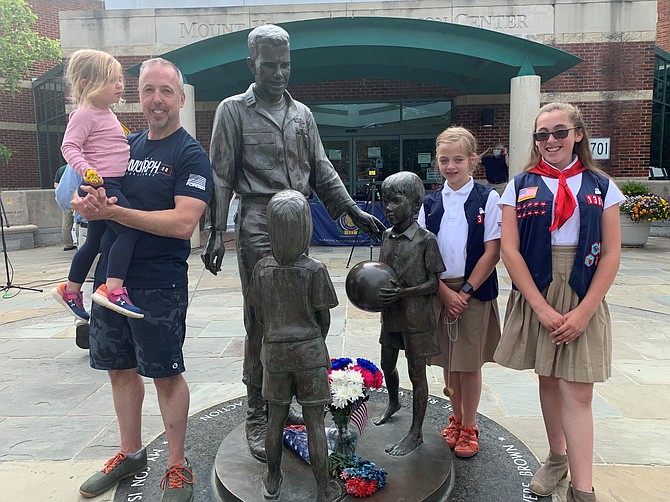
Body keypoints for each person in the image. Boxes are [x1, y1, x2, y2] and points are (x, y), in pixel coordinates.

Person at [201, 24, 385, 462]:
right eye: (270, 65)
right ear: (252, 65)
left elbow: (321, 168)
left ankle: (294, 394)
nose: (279, 73)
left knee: (302, 314)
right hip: (258, 223)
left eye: (285, 65)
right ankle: (258, 411)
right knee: (263, 320)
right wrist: (214, 231)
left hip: (297, 220)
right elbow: (222, 174)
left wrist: (352, 211)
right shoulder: (232, 110)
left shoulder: (302, 114)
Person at [71, 57, 212, 502]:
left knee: (166, 374)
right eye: (148, 90)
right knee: (119, 369)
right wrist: (88, 203)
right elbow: (90, 190)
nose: (156, 99)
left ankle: (176, 465)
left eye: (166, 91)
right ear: (138, 96)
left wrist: (113, 211)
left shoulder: (190, 154)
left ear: (181, 98)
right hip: (112, 283)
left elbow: (182, 223)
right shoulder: (125, 147)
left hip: (158, 283)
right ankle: (130, 453)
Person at [494, 102, 623, 502]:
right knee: (548, 378)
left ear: (578, 134)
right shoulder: (520, 184)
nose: (550, 141)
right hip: (538, 289)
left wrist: (584, 311)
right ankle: (556, 457)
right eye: (542, 134)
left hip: (582, 289)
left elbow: (613, 254)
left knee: (577, 390)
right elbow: (510, 252)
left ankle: (583, 490)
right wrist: (540, 307)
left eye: (559, 132)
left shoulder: (601, 186)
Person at [248, 190, 343, 502]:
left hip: (275, 353)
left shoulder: (261, 269)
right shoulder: (315, 269)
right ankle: (323, 488)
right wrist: (312, 341)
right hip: (309, 351)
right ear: (306, 228)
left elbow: (257, 316)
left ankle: (273, 478)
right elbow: (324, 318)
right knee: (315, 422)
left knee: (275, 418)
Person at [418, 126, 502, 458]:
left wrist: (464, 293)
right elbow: (423, 253)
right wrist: (442, 292)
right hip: (440, 291)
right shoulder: (430, 202)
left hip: (474, 292)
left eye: (457, 159)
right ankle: (455, 417)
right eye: (444, 160)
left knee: (469, 363)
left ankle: (469, 424)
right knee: (449, 363)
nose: (450, 166)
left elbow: (492, 252)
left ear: (472, 160)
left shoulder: (487, 198)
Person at [52, 49, 144, 322]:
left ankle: (70, 290)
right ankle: (113, 289)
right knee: (130, 232)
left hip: (108, 184)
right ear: (86, 84)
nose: (119, 85)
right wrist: (86, 170)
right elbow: (69, 146)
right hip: (103, 186)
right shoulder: (85, 114)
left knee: (94, 242)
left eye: (119, 80)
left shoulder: (106, 114)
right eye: (110, 80)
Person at [373, 171, 445, 456]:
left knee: (416, 373)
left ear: (415, 204)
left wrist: (404, 293)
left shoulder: (426, 240)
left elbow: (434, 283)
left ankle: (415, 433)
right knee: (386, 363)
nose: (388, 207)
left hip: (416, 316)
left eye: (394, 201)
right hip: (391, 314)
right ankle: (394, 402)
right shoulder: (386, 236)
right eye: (384, 201)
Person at [54, 164, 91, 350]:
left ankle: (84, 321)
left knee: (91, 277)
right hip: (123, 224)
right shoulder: (126, 148)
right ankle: (90, 323)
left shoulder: (79, 160)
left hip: (88, 225)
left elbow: (63, 197)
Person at [54, 164, 76, 251]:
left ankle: (68, 244)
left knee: (67, 222)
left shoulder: (61, 169)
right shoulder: (79, 167)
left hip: (65, 200)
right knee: (80, 221)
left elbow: (56, 185)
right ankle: (80, 242)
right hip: (77, 198)